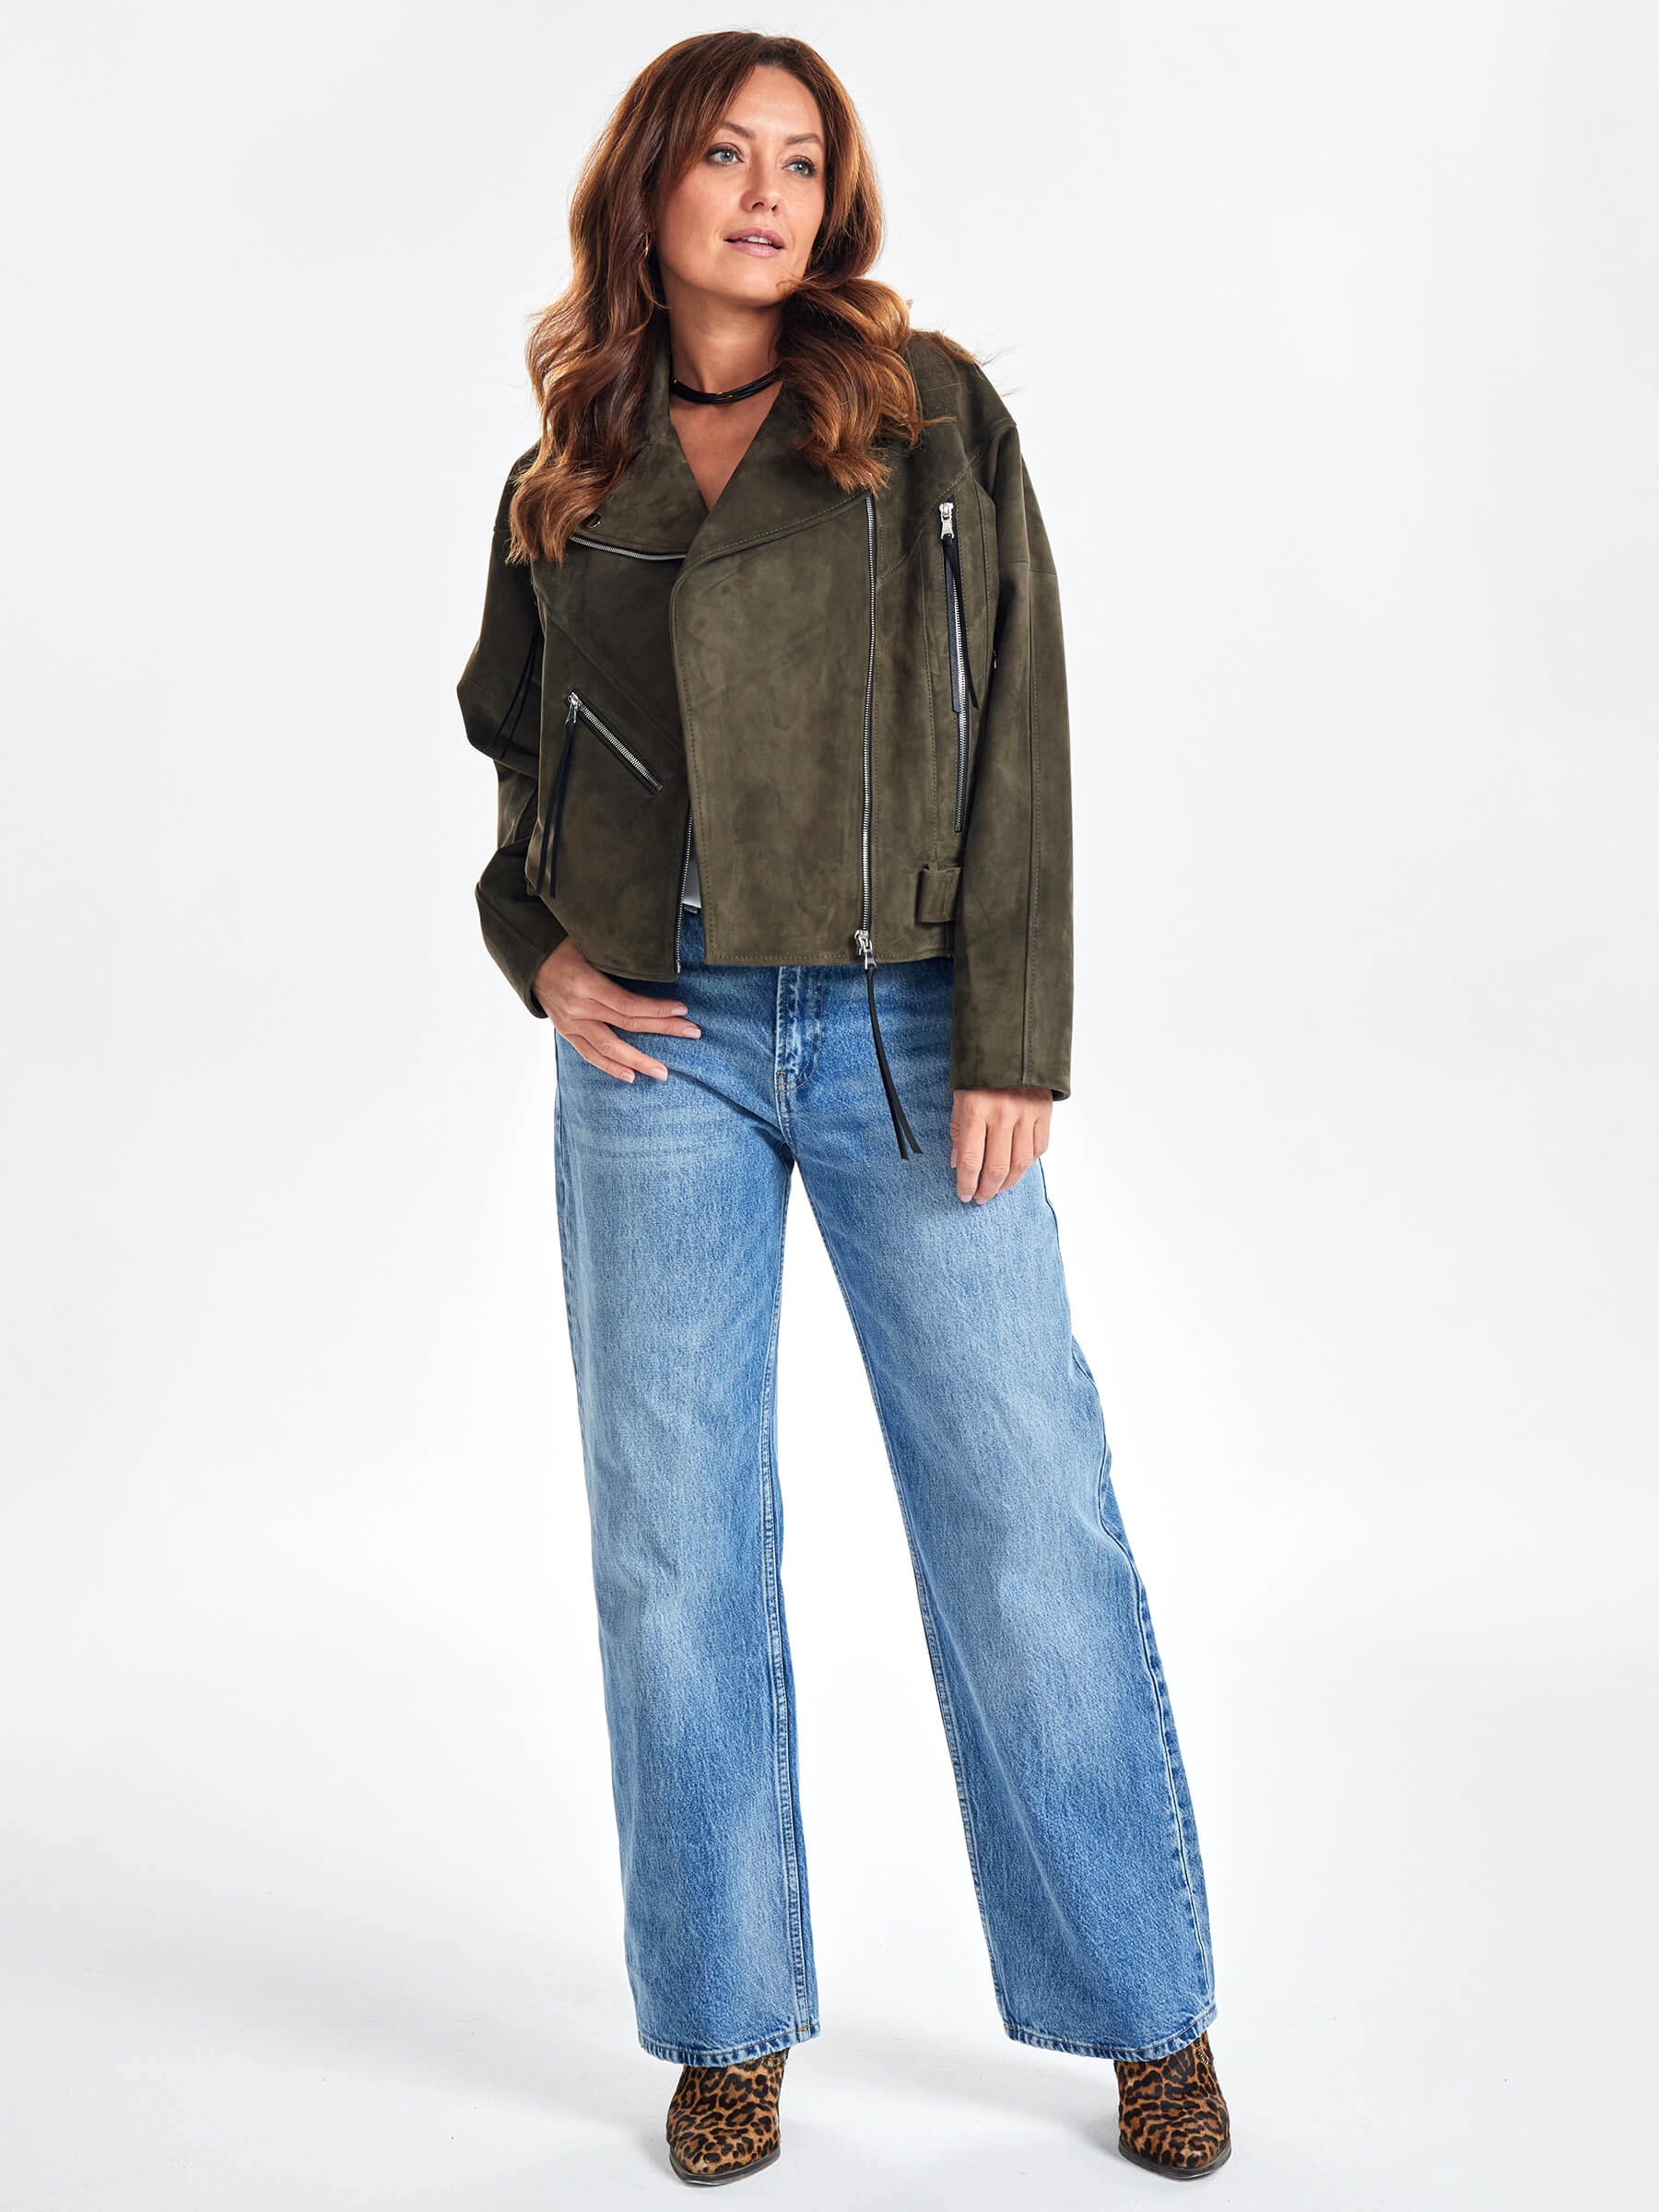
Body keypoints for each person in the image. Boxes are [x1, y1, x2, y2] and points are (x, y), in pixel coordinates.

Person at [458, 29, 1230, 2186]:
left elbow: (1023, 713)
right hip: (660, 1048)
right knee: (672, 1541)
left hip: (906, 1027)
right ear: (653, 189)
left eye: (802, 161)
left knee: (1023, 1510)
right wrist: (540, 954)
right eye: (727, 154)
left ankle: (1145, 2009)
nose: (768, 193)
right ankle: (727, 2025)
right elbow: (512, 745)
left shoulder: (923, 413)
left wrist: (1015, 1030)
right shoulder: (570, 462)